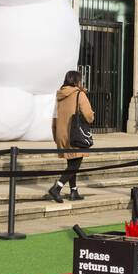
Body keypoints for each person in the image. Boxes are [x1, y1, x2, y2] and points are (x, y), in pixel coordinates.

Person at [48, 70, 95, 202]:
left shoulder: (59, 96)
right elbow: (88, 115)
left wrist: (56, 135)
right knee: (75, 164)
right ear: (76, 81)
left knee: (71, 162)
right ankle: (57, 187)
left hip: (62, 134)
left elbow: (54, 118)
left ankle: (73, 191)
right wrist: (92, 116)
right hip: (76, 135)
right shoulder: (79, 94)